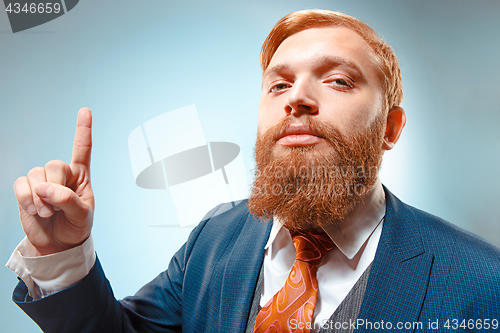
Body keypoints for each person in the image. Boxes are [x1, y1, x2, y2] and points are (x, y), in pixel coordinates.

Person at [7, 9, 500, 333]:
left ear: (391, 128)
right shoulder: (213, 240)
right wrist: (64, 253)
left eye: (338, 80)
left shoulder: (482, 282)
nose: (297, 99)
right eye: (278, 85)